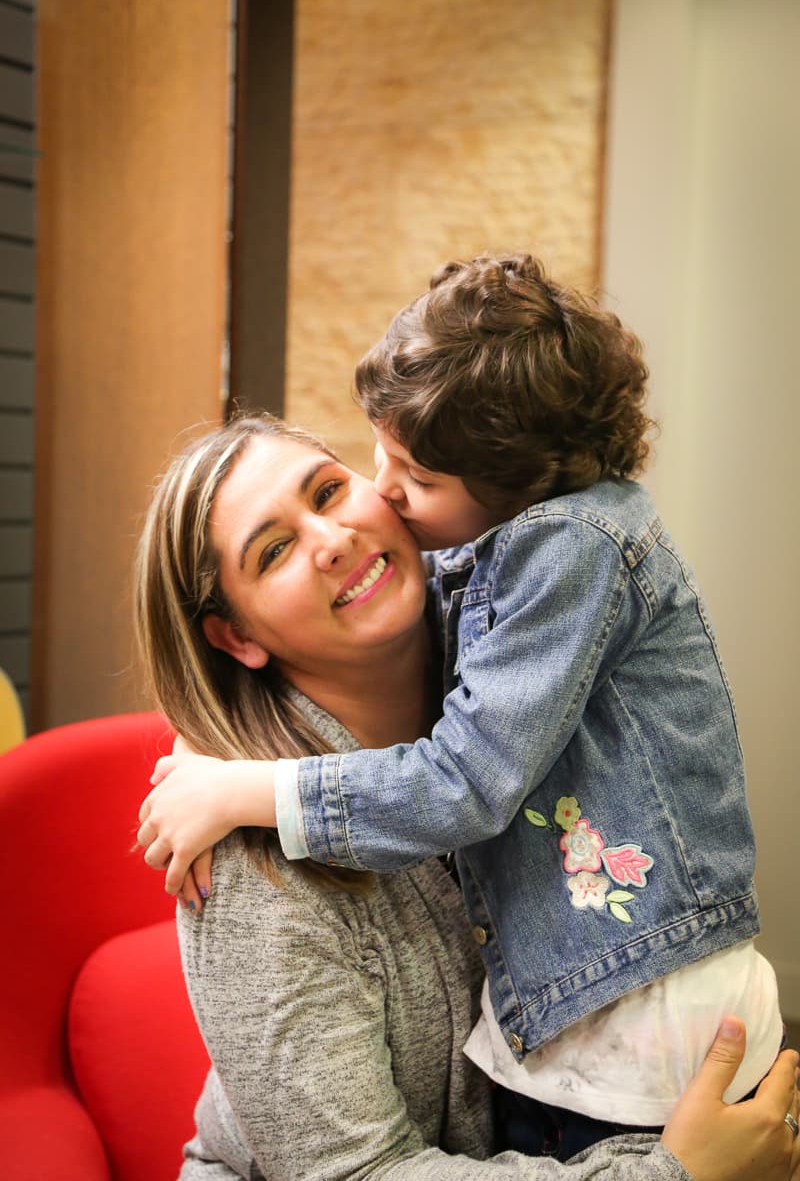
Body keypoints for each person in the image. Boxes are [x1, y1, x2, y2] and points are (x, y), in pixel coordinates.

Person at [138, 254, 784, 1157]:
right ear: (236, 637)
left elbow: (458, 712)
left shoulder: (531, 584)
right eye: (274, 551)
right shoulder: (251, 865)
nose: (342, 533)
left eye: (328, 491)